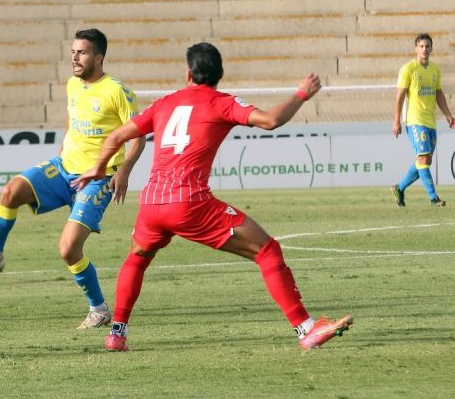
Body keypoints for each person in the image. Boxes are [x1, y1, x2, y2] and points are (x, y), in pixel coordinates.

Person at [72, 42, 354, 352]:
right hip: (189, 202)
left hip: (152, 202)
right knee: (267, 250)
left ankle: (116, 334)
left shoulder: (165, 103)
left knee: (137, 259)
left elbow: (116, 136)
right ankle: (306, 328)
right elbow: (271, 121)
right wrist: (302, 93)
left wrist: (99, 168)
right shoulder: (221, 102)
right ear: (220, 74)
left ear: (188, 73)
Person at [0, 28, 146, 330]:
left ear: (98, 57)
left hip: (97, 179)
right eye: (73, 51)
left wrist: (124, 171)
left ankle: (98, 309)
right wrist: (62, 149)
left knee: (68, 249)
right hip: (63, 168)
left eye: (82, 52)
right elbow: (71, 119)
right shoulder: (73, 84)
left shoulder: (116, 91)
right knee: (11, 192)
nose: (74, 57)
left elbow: (138, 136)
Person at [391, 33, 454, 207]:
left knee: (423, 161)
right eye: (421, 46)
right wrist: (396, 120)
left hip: (430, 121)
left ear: (431, 49)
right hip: (414, 120)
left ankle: (400, 188)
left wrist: (448, 115)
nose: (425, 49)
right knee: (424, 159)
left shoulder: (435, 69)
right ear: (416, 48)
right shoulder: (408, 69)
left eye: (427, 46)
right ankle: (434, 198)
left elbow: (438, 93)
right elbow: (400, 96)